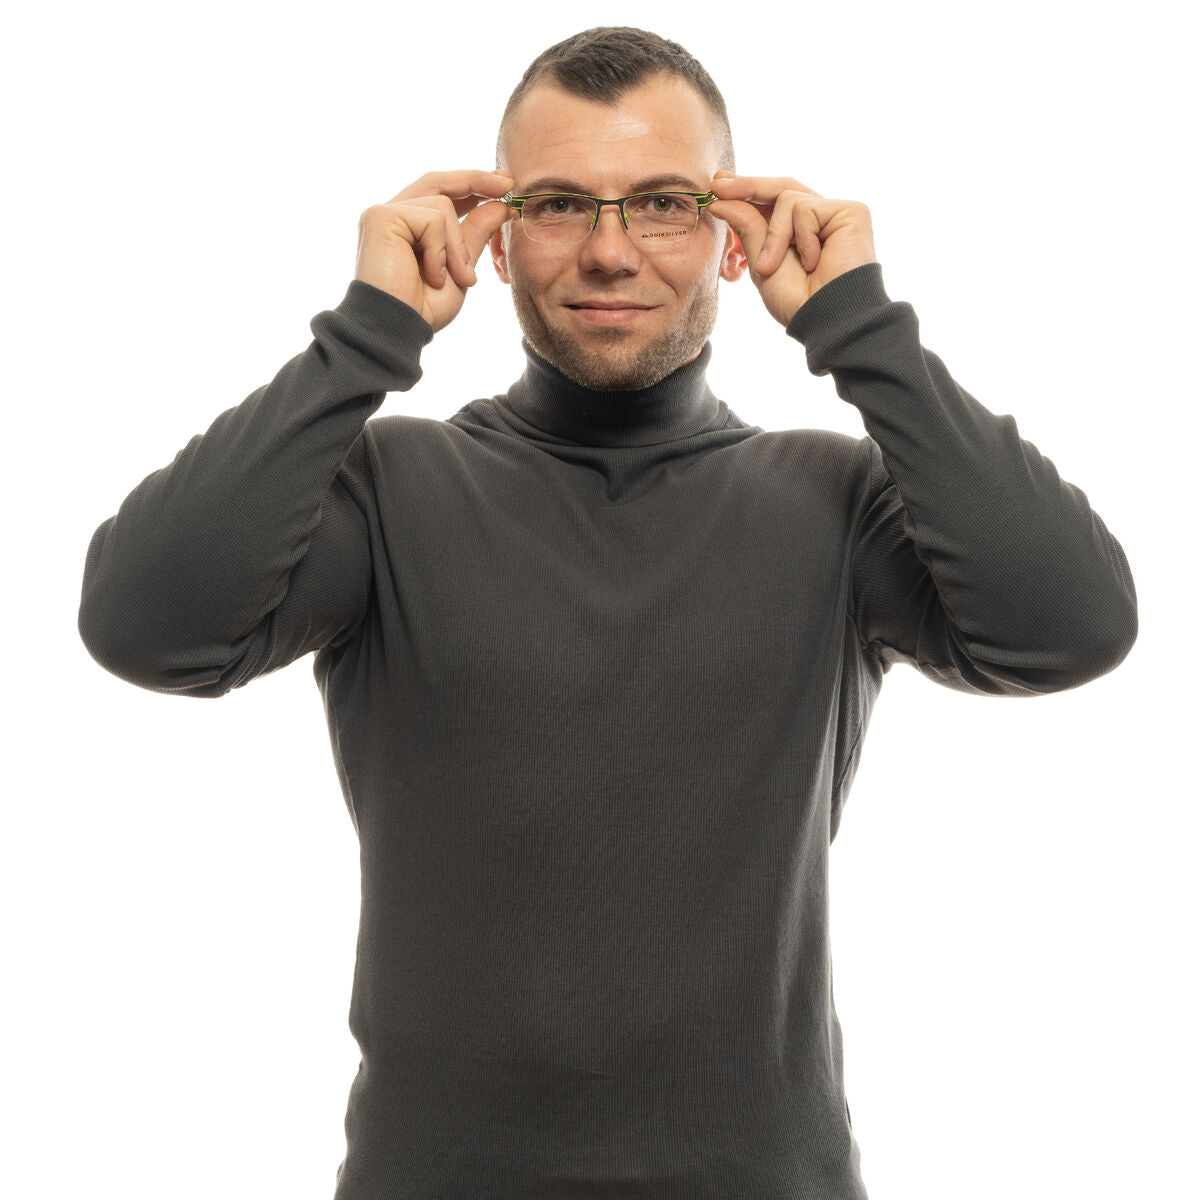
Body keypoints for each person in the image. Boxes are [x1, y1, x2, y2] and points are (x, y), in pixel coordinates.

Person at [77, 24, 1138, 1200]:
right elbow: (146, 622)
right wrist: (367, 335)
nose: (609, 251)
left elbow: (1070, 623)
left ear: (733, 235)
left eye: (665, 204)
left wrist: (860, 327)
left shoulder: (834, 499)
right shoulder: (390, 489)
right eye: (559, 205)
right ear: (496, 234)